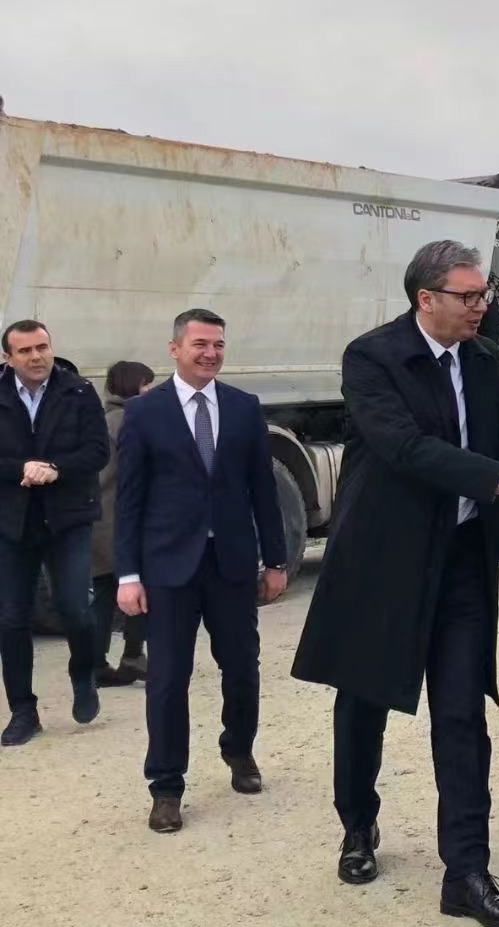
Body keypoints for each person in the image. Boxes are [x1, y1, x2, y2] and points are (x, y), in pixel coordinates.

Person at [290, 241, 499, 927]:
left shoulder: (482, 360)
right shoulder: (372, 358)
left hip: (459, 562)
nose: (481, 306)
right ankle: (358, 825)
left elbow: (483, 448)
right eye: (468, 296)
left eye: (483, 295)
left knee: (461, 713)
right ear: (426, 299)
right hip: (383, 561)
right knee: (364, 700)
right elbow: (406, 449)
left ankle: (467, 873)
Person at [115, 309, 289, 833]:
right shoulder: (144, 413)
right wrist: (128, 575)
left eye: (218, 345)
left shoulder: (243, 407)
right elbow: (129, 500)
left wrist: (276, 560)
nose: (210, 353)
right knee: (168, 678)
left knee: (241, 667)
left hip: (231, 563)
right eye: (200, 344)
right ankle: (166, 786)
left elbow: (263, 490)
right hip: (168, 568)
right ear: (175, 349)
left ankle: (239, 750)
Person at [0, 320, 110, 746]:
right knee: (12, 618)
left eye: (42, 347)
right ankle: (23, 711)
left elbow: (98, 451)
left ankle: (84, 673)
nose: (37, 357)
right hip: (12, 522)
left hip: (68, 518)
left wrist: (56, 468)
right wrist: (21, 469)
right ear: (8, 358)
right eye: (25, 350)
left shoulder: (77, 391)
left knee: (75, 608)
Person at [91, 361, 154, 687]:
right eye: (147, 384)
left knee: (103, 593)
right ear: (134, 385)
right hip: (122, 519)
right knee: (141, 586)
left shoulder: (103, 419)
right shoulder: (130, 420)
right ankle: (133, 655)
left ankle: (95, 663)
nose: (150, 391)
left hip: (97, 518)